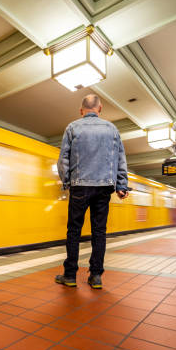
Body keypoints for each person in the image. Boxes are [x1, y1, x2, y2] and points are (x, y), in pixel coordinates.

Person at [55, 94, 129, 289]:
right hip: (104, 187)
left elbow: (63, 160)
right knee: (99, 232)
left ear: (81, 111)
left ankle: (70, 275)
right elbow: (120, 160)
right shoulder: (112, 129)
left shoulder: (73, 127)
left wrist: (68, 183)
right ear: (100, 108)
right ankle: (96, 276)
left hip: (80, 185)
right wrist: (121, 185)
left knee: (74, 231)